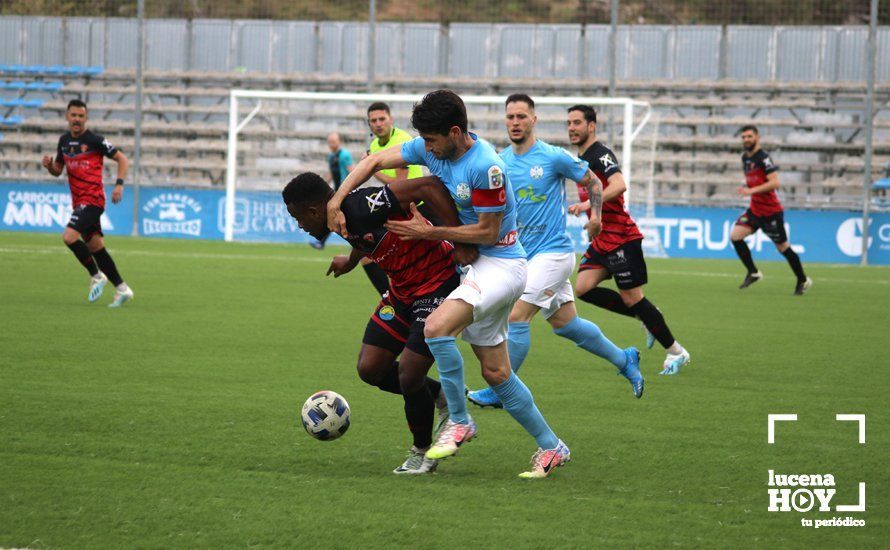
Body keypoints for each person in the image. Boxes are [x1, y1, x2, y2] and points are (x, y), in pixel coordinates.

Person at [327, 90, 570, 479]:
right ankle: (551, 446)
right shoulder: (432, 149)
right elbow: (373, 160)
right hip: (474, 268)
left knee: (436, 327)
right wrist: (336, 200)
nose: (425, 148)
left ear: (455, 132)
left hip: (502, 264)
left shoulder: (485, 166)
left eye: (432, 140)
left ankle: (459, 420)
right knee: (496, 373)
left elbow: (489, 232)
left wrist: (429, 232)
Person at [283, 171, 475, 474]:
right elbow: (366, 236)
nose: (300, 226)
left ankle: (421, 452)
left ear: (314, 210)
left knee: (410, 375)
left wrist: (457, 237)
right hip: (401, 293)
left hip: (436, 285)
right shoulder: (341, 221)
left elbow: (429, 185)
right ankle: (442, 396)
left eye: (299, 218)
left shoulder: (363, 204)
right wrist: (350, 261)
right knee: (371, 369)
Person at [467, 94, 643, 409]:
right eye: (510, 117)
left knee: (518, 315)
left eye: (522, 116)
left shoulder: (553, 156)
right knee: (567, 325)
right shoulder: (500, 162)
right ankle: (624, 359)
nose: (516, 122)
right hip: (525, 256)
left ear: (534, 120)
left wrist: (597, 217)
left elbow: (594, 182)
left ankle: (501, 389)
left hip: (554, 253)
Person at [566, 105, 690, 376]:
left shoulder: (601, 154)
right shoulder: (580, 159)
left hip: (621, 237)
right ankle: (647, 315)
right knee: (584, 288)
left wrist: (587, 202)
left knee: (633, 299)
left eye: (577, 122)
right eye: (569, 123)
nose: (572, 127)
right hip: (601, 239)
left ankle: (676, 352)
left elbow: (620, 184)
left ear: (591, 126)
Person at [41, 99, 134, 307]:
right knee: (96, 247)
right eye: (73, 115)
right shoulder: (64, 141)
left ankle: (96, 275)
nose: (77, 119)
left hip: (92, 200)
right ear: (67, 116)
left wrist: (119, 184)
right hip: (79, 202)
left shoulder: (95, 140)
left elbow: (123, 159)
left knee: (69, 237)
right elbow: (58, 170)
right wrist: (49, 167)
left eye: (81, 116)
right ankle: (122, 288)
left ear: (86, 118)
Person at [731, 125, 812, 295]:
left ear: (757, 137)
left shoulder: (764, 158)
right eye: (744, 137)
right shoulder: (745, 158)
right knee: (735, 236)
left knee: (783, 247)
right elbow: (756, 180)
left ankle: (803, 280)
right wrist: (748, 188)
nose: (746, 139)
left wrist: (751, 191)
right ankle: (753, 272)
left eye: (749, 136)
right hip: (755, 210)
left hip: (770, 212)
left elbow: (775, 183)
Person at [312, 133, 355, 250]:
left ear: (339, 141)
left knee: (335, 216)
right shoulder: (331, 156)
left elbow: (352, 171)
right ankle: (322, 242)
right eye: (330, 142)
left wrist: (351, 188)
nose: (332, 144)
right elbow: (331, 173)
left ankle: (356, 242)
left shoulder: (345, 155)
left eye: (334, 141)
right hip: (336, 191)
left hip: (345, 191)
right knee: (334, 216)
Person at [366, 102, 424, 184]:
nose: (378, 124)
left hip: (412, 195)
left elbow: (399, 184)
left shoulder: (402, 140)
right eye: (373, 121)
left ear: (391, 119)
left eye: (382, 119)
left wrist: (371, 168)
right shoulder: (374, 145)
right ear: (369, 123)